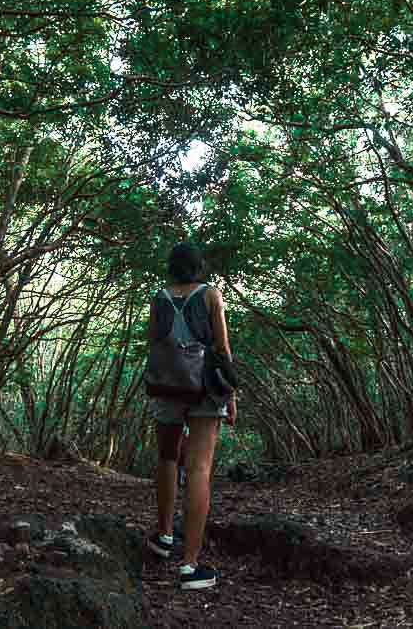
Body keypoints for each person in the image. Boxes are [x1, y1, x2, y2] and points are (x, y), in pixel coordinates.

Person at [145, 242, 236, 591]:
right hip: (204, 388)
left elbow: (154, 341)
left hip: (167, 385)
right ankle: (190, 566)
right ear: (199, 266)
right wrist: (230, 396)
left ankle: (165, 535)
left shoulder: (159, 297)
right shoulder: (211, 294)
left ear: (171, 266)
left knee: (167, 458)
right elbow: (222, 348)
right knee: (199, 468)